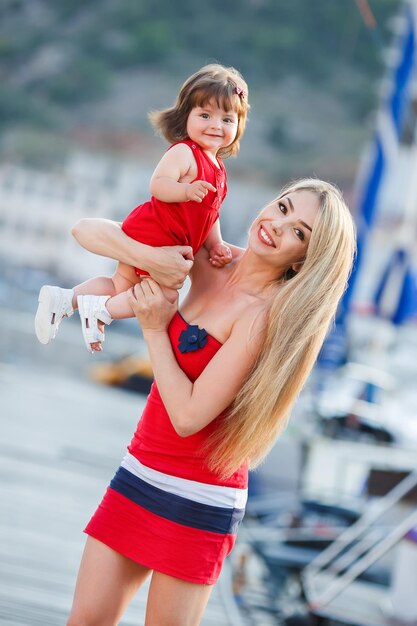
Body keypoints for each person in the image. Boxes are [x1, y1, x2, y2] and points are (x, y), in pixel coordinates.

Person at [65, 178, 356, 626]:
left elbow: (188, 416)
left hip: (199, 499)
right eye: (281, 208)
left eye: (299, 232)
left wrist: (154, 327)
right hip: (141, 472)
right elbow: (85, 231)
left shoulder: (262, 316)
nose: (276, 226)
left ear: (305, 260)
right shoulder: (210, 257)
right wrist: (147, 256)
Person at [34, 63, 249, 352]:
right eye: (205, 115)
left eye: (227, 119)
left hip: (167, 239)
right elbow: (158, 185)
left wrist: (216, 243)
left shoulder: (219, 168)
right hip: (158, 232)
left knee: (120, 284)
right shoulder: (185, 152)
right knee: (162, 294)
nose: (215, 125)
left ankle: (66, 299)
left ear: (239, 126)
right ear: (186, 117)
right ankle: (101, 312)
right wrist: (185, 190)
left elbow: (210, 214)